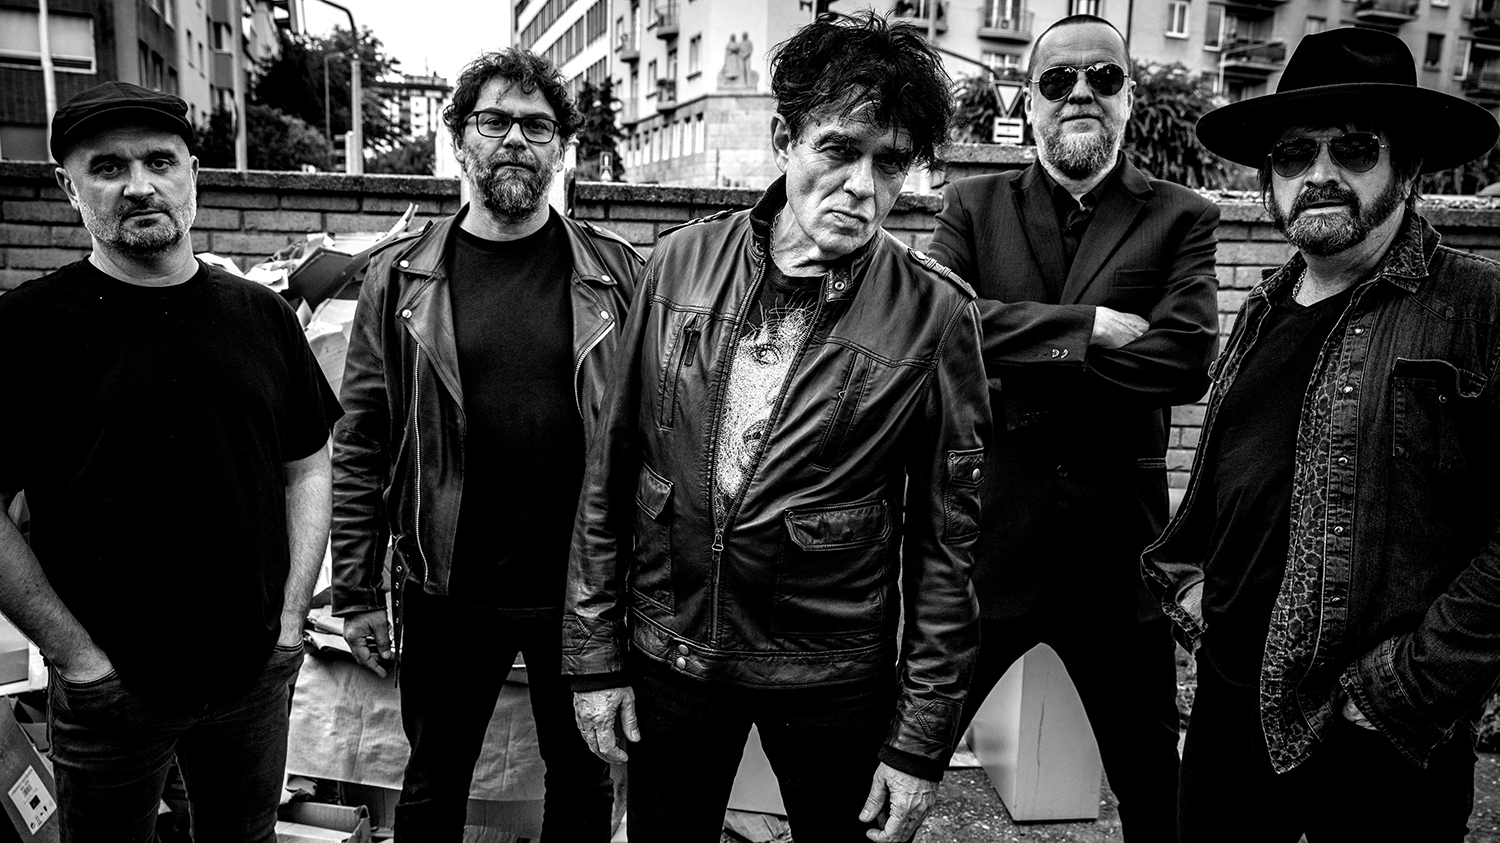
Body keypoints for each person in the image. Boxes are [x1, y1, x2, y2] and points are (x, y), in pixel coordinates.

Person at [563, 13, 989, 843]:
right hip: (673, 650)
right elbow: (610, 470)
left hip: (832, 674)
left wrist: (919, 742)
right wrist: (593, 658)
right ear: (784, 139)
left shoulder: (935, 314)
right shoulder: (679, 262)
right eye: (839, 149)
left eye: (890, 162)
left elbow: (949, 550)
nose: (862, 185)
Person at [1144, 27, 1500, 841]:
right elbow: (1235, 482)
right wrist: (1196, 594)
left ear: (1408, 166)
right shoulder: (1262, 307)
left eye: (1354, 148)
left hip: (1379, 740)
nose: (1320, 174)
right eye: (1295, 154)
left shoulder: (1476, 308)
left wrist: (1409, 686)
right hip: (1231, 714)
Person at [0, 81, 341, 842]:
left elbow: (308, 466)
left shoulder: (262, 315)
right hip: (109, 692)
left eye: (159, 161)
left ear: (193, 174)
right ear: (68, 187)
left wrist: (289, 622)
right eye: (108, 167)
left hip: (253, 677)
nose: (139, 185)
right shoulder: (27, 329)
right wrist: (76, 656)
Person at [330, 48, 643, 842]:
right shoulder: (401, 277)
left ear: (561, 148)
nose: (515, 140)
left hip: (579, 590)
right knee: (433, 784)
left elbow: (649, 434)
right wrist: (357, 591)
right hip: (447, 586)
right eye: (495, 120)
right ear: (460, 138)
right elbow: (361, 440)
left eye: (537, 126)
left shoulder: (615, 273)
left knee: (582, 780)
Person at [925, 14, 1219, 840]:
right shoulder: (973, 205)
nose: (1080, 92)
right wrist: (1087, 327)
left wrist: (1008, 349)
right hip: (990, 552)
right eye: (1058, 80)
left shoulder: (1182, 216)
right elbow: (938, 328)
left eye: (1103, 77)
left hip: (1118, 560)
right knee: (899, 773)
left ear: (1130, 96)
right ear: (1030, 99)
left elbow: (1185, 359)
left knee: (1156, 796)